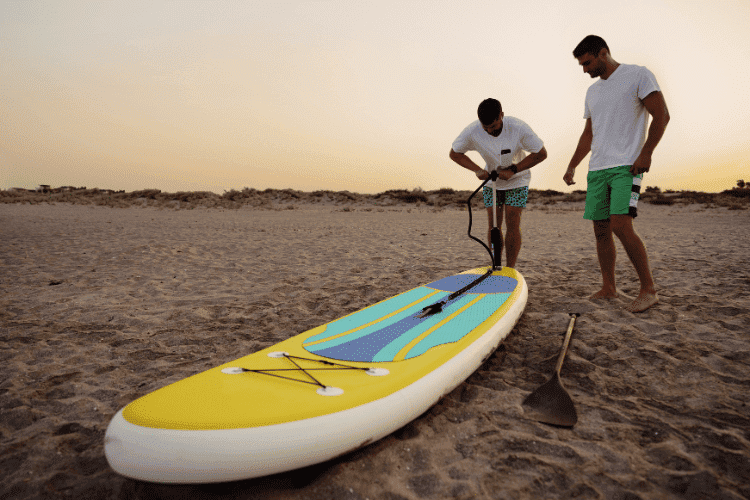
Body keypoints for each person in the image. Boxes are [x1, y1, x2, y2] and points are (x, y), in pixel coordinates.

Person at [563, 35, 670, 313]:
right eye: (581, 65)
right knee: (600, 230)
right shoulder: (592, 92)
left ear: (602, 53)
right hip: (597, 168)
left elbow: (662, 115)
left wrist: (647, 152)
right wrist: (573, 164)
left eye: (587, 63)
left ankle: (648, 289)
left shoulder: (638, 75)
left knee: (620, 225)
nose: (584, 70)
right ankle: (609, 287)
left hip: (626, 165)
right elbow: (589, 134)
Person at [450, 98, 547, 269]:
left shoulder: (517, 127)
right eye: (485, 128)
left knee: (512, 221)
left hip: (518, 180)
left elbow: (541, 153)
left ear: (501, 115)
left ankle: (509, 268)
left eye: (493, 127)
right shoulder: (472, 131)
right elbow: (455, 153)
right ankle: (496, 266)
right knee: (494, 224)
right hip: (492, 182)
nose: (489, 131)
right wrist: (477, 170)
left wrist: (514, 170)